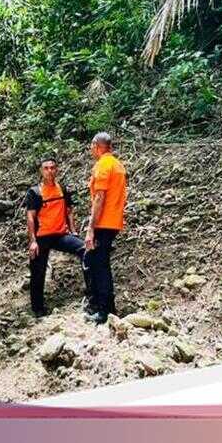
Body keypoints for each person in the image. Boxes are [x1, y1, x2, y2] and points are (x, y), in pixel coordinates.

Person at [24, 156, 88, 318]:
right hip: (41, 237)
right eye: (46, 168)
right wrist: (32, 241)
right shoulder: (35, 192)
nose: (50, 171)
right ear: (41, 171)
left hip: (60, 235)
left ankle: (91, 294)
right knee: (38, 272)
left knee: (85, 249)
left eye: (52, 168)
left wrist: (73, 230)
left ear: (57, 170)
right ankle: (38, 309)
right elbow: (30, 217)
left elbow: (69, 211)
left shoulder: (62, 189)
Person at [84, 132, 127, 324]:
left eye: (91, 146)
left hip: (103, 222)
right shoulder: (118, 165)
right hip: (113, 221)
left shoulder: (103, 165)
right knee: (95, 261)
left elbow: (99, 198)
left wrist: (91, 229)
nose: (91, 150)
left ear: (96, 146)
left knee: (99, 265)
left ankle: (105, 310)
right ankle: (100, 306)